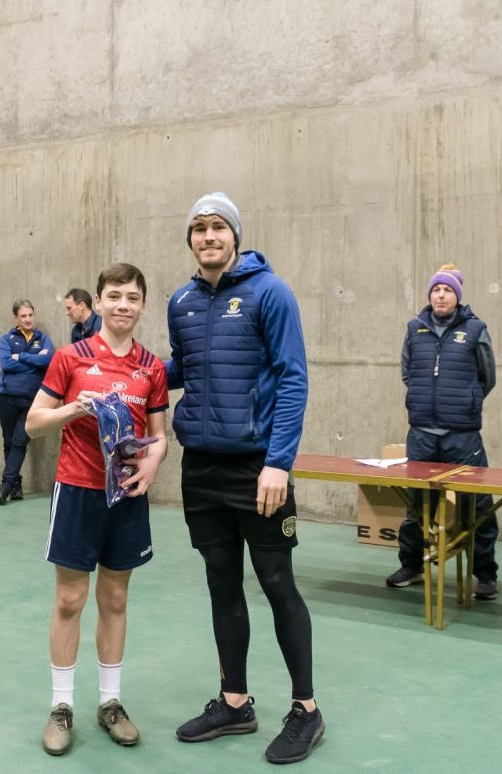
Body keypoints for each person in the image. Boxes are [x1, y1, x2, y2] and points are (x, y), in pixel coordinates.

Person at [166, 192, 323, 765]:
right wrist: (125, 365)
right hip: (201, 470)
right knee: (221, 583)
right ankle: (235, 701)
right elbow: (183, 369)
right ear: (191, 239)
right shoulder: (180, 301)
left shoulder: (270, 292)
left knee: (277, 583)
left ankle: (306, 709)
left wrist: (278, 462)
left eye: (217, 227)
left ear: (235, 234)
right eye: (199, 228)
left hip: (258, 470)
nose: (208, 237)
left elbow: (292, 380)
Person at [25, 263, 168, 756]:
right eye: (114, 296)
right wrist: (73, 408)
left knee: (115, 600)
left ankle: (110, 703)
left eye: (132, 297)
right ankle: (61, 706)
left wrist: (150, 468)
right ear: (100, 302)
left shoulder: (152, 367)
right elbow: (33, 423)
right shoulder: (70, 357)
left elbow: (159, 435)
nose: (123, 304)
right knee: (69, 600)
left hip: (126, 494)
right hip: (78, 491)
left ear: (143, 305)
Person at [387, 264, 500, 599]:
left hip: (462, 435)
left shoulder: (475, 329)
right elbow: (408, 371)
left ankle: (485, 574)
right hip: (421, 432)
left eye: (448, 290)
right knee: (416, 503)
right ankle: (411, 564)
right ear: (429, 295)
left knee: (477, 505)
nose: (441, 295)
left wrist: (468, 400)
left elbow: (487, 377)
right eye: (436, 289)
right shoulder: (414, 328)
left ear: (457, 297)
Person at [0, 300, 53, 504]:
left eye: (30, 315)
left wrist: (21, 357)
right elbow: (6, 363)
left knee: (19, 441)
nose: (27, 319)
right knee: (9, 442)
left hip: (31, 402)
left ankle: (5, 486)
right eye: (23, 316)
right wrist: (33, 362)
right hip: (7, 400)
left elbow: (48, 360)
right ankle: (16, 487)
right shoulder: (6, 339)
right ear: (16, 319)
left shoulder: (43, 339)